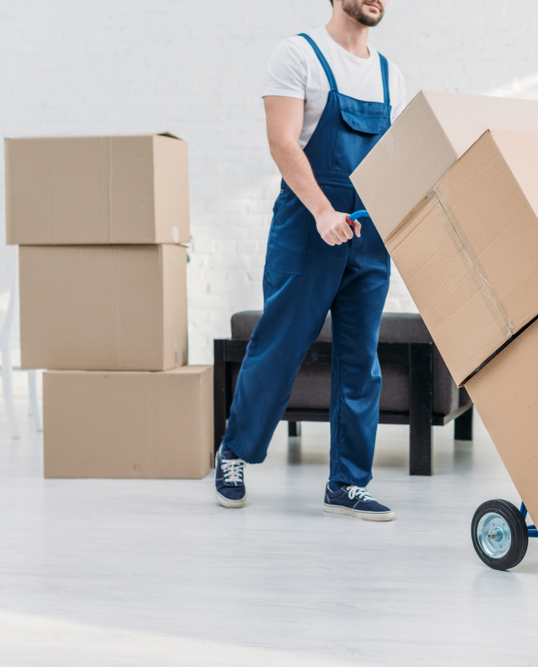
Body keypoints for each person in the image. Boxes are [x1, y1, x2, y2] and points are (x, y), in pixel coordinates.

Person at [214, 0, 405, 521]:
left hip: (368, 235)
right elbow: (282, 143)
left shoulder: (391, 75)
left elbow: (393, 163)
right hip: (307, 225)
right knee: (280, 347)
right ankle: (234, 453)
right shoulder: (298, 54)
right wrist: (322, 211)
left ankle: (347, 483)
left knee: (359, 361)